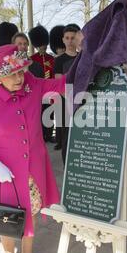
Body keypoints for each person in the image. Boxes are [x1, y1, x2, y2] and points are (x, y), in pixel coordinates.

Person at [0, 44, 66, 253]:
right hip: (5, 174)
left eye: (20, 71)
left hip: (33, 168)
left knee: (31, 213)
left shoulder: (31, 83)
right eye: (11, 74)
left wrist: (87, 61)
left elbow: (60, 84)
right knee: (8, 217)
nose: (18, 78)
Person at [53, 25, 79, 156]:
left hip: (84, 103)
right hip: (66, 104)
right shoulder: (58, 61)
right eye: (67, 38)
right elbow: (59, 84)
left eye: (73, 38)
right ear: (63, 40)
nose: (70, 41)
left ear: (78, 39)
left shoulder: (84, 58)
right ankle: (67, 170)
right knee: (67, 139)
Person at [28, 25, 56, 143]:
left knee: (50, 113)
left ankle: (48, 135)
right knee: (38, 114)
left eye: (43, 45)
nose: (42, 47)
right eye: (40, 45)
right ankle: (40, 135)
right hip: (37, 90)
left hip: (49, 90)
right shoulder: (32, 59)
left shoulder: (51, 58)